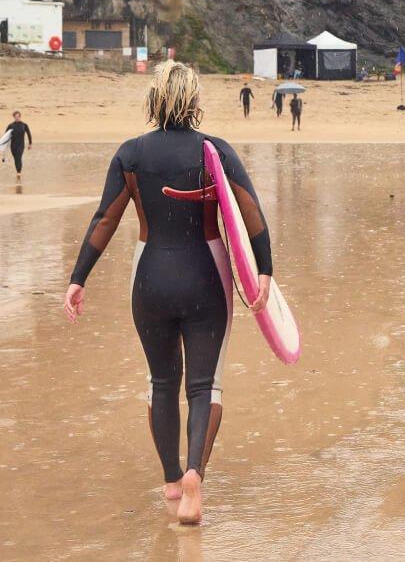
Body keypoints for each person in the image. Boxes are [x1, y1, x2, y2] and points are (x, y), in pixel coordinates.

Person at [62, 61, 273, 525]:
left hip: (150, 276)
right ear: (194, 102)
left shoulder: (131, 153)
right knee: (204, 385)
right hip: (205, 273)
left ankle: (172, 480)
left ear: (153, 101)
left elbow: (105, 220)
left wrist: (79, 278)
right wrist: (265, 273)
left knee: (161, 382)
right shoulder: (213, 151)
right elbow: (250, 212)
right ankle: (197, 474)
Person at [5, 111, 32, 181]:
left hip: (21, 145)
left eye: (18, 116)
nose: (17, 118)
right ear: (14, 117)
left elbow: (29, 134)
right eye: (15, 117)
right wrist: (3, 146)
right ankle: (18, 171)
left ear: (20, 116)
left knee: (18, 157)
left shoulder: (24, 125)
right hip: (13, 145)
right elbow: (6, 136)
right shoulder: (11, 125)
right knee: (16, 159)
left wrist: (30, 143)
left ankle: (19, 172)